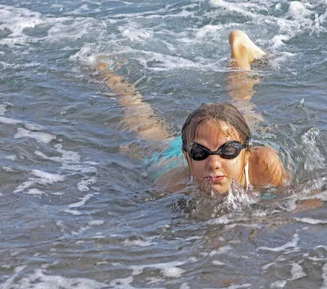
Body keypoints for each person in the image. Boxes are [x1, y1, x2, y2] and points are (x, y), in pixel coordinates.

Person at [97, 30, 287, 195]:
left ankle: (240, 52)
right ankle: (104, 72)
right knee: (142, 121)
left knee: (242, 105)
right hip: (168, 157)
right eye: (199, 153)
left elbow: (295, 205)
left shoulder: (263, 165)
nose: (213, 163)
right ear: (187, 156)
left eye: (228, 151)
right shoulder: (172, 186)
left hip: (212, 138)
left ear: (246, 152)